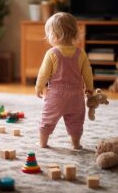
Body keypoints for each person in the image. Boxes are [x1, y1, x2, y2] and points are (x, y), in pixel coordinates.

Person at [35, 12, 94, 149]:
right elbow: (87, 74)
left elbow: (43, 74)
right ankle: (76, 144)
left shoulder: (51, 53)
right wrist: (89, 89)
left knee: (47, 120)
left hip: (56, 95)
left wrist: (39, 87)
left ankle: (43, 143)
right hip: (76, 96)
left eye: (48, 33)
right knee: (76, 120)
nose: (48, 37)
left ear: (56, 35)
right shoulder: (81, 53)